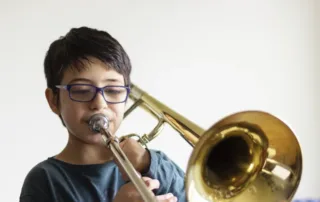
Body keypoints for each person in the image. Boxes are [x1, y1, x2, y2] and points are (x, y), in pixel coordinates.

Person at [19, 26, 186, 202]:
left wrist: (147, 162)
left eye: (113, 90)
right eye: (82, 90)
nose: (99, 104)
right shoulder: (45, 180)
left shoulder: (154, 163)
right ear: (54, 100)